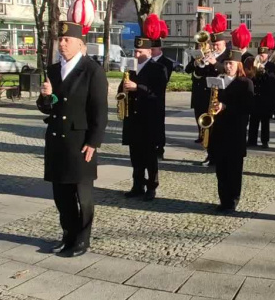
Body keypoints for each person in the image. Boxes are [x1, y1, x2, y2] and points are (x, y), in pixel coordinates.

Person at [37, 21, 108, 258]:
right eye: (60, 39)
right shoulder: (55, 70)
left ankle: (82, 239)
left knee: (82, 195)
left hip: (80, 141)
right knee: (61, 195)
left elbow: (99, 110)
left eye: (67, 40)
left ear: (80, 43)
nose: (62, 43)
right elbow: (47, 108)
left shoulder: (92, 70)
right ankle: (68, 234)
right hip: (57, 139)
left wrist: (94, 142)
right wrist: (46, 97)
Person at [119, 14, 168, 201]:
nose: (136, 55)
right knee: (135, 156)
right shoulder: (131, 69)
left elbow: (157, 93)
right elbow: (121, 88)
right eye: (135, 51)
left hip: (149, 119)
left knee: (150, 157)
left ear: (148, 52)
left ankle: (152, 187)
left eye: (140, 52)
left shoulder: (158, 69)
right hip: (133, 118)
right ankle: (137, 185)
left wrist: (137, 87)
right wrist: (123, 90)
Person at [208, 49, 254, 212]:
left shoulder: (245, 83)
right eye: (226, 63)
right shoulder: (217, 81)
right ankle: (223, 199)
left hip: (235, 131)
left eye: (231, 64)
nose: (228, 67)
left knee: (234, 169)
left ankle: (233, 200)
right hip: (219, 130)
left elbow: (247, 107)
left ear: (238, 65)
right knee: (221, 168)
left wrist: (225, 106)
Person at [185, 14, 230, 166]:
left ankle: (219, 155)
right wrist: (202, 64)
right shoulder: (208, 54)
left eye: (218, 44)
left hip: (221, 97)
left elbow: (227, 70)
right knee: (207, 127)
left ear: (224, 43)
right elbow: (198, 74)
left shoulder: (228, 55)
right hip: (205, 96)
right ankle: (210, 155)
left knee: (219, 129)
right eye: (214, 44)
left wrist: (215, 63)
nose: (215, 47)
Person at [248, 33, 275, 149]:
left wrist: (264, 72)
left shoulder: (272, 66)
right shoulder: (254, 64)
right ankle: (251, 140)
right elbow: (250, 78)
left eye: (263, 55)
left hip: (266, 99)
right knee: (253, 121)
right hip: (255, 98)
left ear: (267, 55)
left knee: (265, 122)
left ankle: (265, 141)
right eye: (260, 54)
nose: (261, 57)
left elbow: (273, 80)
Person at [151, 19, 175, 159]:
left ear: (159, 49)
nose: (151, 52)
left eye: (153, 50)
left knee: (159, 124)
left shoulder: (166, 63)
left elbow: (163, 80)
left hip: (158, 98)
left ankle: (160, 148)